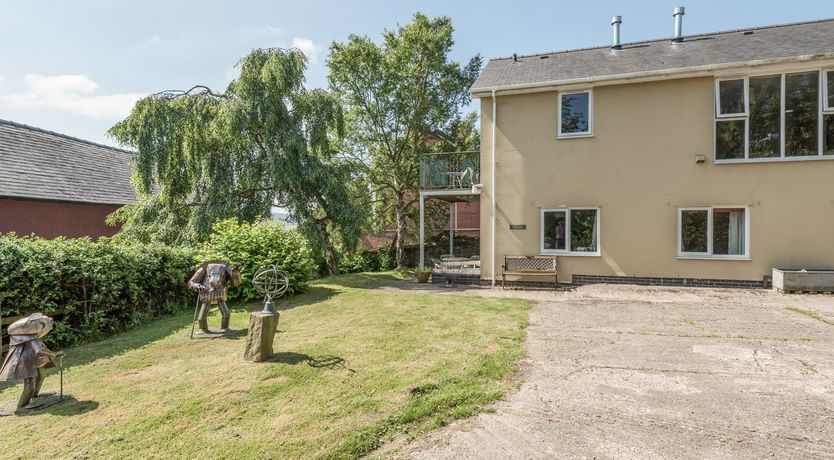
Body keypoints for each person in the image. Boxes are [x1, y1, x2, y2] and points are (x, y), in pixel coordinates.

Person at [0, 313, 64, 409]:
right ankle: (23, 405)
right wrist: (55, 354)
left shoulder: (31, 336)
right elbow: (40, 350)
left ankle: (35, 395)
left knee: (41, 376)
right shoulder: (29, 337)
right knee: (30, 383)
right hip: (25, 360)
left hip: (31, 358)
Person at [188, 261, 241, 334]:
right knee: (202, 315)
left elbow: (235, 283)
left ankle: (225, 327)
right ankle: (203, 329)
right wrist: (197, 286)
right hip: (207, 293)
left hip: (220, 293)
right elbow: (191, 282)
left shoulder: (225, 268)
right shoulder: (204, 268)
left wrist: (236, 273)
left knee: (226, 313)